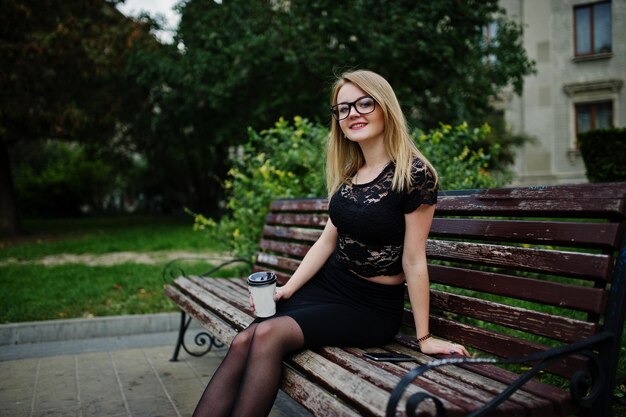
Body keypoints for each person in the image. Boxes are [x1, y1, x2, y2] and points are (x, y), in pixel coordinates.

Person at [192, 69, 470, 417]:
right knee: (245, 339)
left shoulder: (413, 175)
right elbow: (326, 241)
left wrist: (425, 338)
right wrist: (286, 290)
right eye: (343, 108)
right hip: (330, 286)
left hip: (371, 307)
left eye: (364, 103)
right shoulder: (351, 172)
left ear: (385, 107)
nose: (353, 113)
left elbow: (414, 260)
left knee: (267, 337)